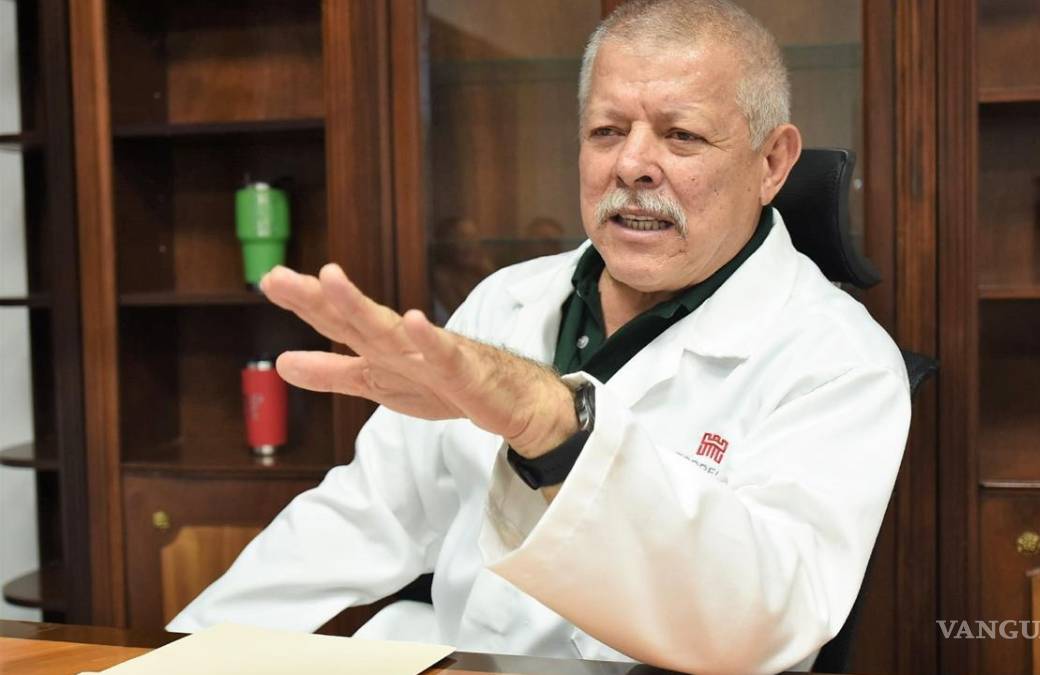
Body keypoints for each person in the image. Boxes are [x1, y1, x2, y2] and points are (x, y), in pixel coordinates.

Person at [168, 1, 911, 673]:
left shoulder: (839, 360)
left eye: (681, 135)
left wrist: (553, 424)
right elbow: (367, 515)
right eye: (607, 131)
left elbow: (767, 620)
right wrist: (189, 654)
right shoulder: (508, 300)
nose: (631, 165)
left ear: (772, 163)